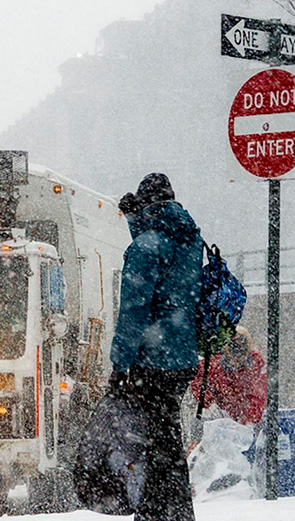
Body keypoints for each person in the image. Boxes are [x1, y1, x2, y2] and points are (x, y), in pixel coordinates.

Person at [109, 172, 203, 521]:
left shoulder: (147, 246)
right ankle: (174, 512)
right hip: (182, 356)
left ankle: (155, 514)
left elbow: (134, 310)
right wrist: (138, 221)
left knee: (151, 442)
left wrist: (120, 364)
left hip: (153, 361)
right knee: (165, 440)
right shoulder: (189, 239)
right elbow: (164, 261)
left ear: (148, 204)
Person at [190, 326, 267, 426]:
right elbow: (199, 385)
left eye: (241, 350)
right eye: (233, 349)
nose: (236, 358)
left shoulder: (256, 365)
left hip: (245, 419)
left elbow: (258, 396)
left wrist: (248, 421)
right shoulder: (212, 364)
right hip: (217, 417)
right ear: (226, 348)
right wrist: (209, 406)